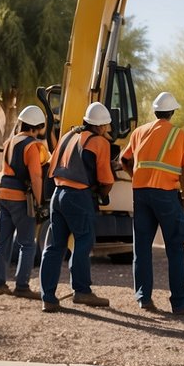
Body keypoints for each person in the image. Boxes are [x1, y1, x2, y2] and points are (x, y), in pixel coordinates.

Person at [120, 91, 184, 315]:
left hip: (141, 194)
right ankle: (180, 303)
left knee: (142, 247)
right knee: (175, 247)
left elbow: (124, 160)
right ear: (172, 112)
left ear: (155, 111)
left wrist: (135, 177)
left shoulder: (139, 132)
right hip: (166, 195)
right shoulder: (181, 136)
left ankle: (144, 299)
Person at [40, 101, 115, 313]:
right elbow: (106, 180)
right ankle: (81, 291)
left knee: (55, 246)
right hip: (79, 197)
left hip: (58, 195)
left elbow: (52, 166)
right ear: (100, 126)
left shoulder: (67, 136)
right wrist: (103, 194)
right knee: (83, 241)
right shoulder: (100, 143)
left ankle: (48, 297)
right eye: (106, 126)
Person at [0, 105, 49, 298]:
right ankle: (22, 286)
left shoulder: (10, 142)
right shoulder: (32, 145)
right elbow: (36, 177)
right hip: (19, 197)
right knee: (27, 243)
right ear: (37, 126)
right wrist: (40, 202)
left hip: (3, 194)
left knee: (2, 242)